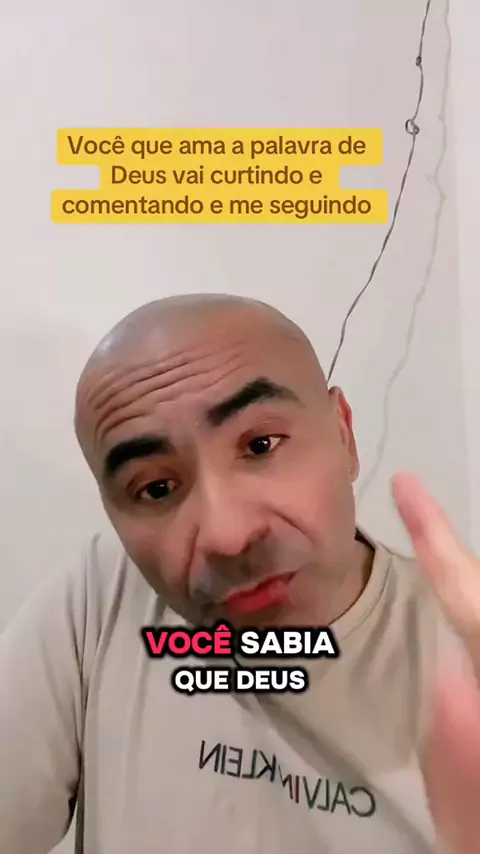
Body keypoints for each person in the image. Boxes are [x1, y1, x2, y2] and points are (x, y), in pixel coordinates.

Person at [0, 293, 478, 854]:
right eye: (156, 488)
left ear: (344, 434)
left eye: (260, 445)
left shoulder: (459, 655)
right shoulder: (100, 601)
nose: (227, 536)